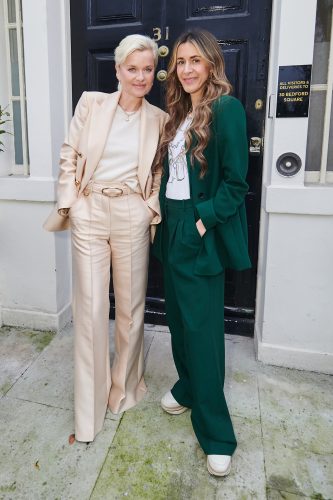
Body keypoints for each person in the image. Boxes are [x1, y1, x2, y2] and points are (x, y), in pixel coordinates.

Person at [44, 34, 167, 443]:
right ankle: (88, 412)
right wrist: (71, 203)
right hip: (91, 210)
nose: (140, 76)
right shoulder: (91, 104)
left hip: (132, 212)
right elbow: (69, 153)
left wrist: (150, 206)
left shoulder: (159, 120)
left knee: (130, 310)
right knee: (92, 310)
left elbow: (159, 173)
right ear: (117, 71)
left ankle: (123, 392)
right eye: (131, 69)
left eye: (147, 69)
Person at [153, 29, 251, 476]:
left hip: (198, 228)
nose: (187, 69)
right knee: (177, 320)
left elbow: (235, 183)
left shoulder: (226, 110)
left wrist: (201, 219)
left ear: (212, 64)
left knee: (204, 333)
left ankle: (216, 433)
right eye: (181, 61)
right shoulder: (178, 114)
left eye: (196, 60)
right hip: (171, 225)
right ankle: (189, 387)